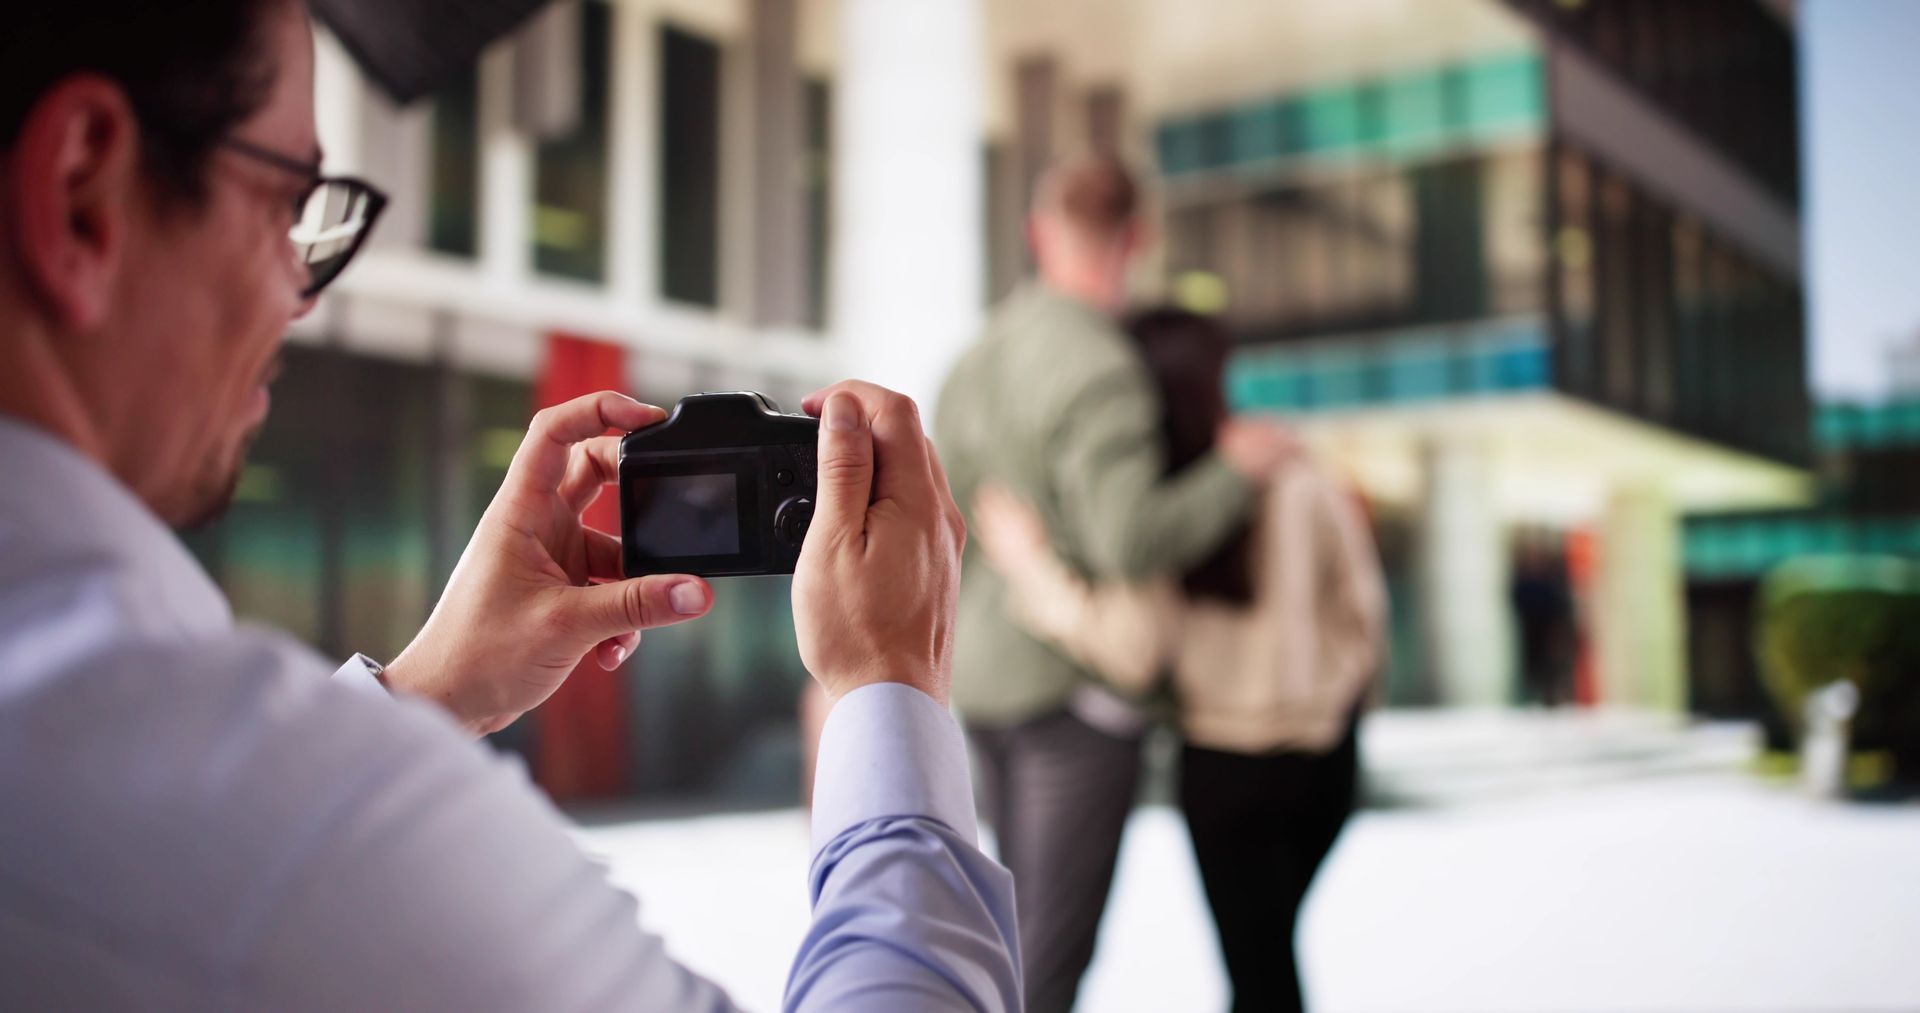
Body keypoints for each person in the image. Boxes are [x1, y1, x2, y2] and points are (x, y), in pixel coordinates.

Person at [0, 3, 1017, 1009]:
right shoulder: (312, 831)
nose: (299, 291)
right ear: (84, 193)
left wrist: (420, 698)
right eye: (285, 206)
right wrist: (891, 684)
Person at [933, 159, 1290, 1012]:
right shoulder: (1103, 364)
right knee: (1049, 965)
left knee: (1006, 943)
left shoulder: (973, 359)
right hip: (1074, 693)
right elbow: (1131, 540)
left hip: (981, 683)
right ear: (1136, 240)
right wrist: (1235, 473)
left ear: (1038, 233)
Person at [971, 307, 1388, 1013]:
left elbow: (1132, 652)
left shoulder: (1159, 517)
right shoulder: (1293, 475)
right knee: (1268, 959)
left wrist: (1032, 567)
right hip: (1323, 760)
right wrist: (1328, 698)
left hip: (1223, 765)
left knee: (1258, 965)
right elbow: (1363, 615)